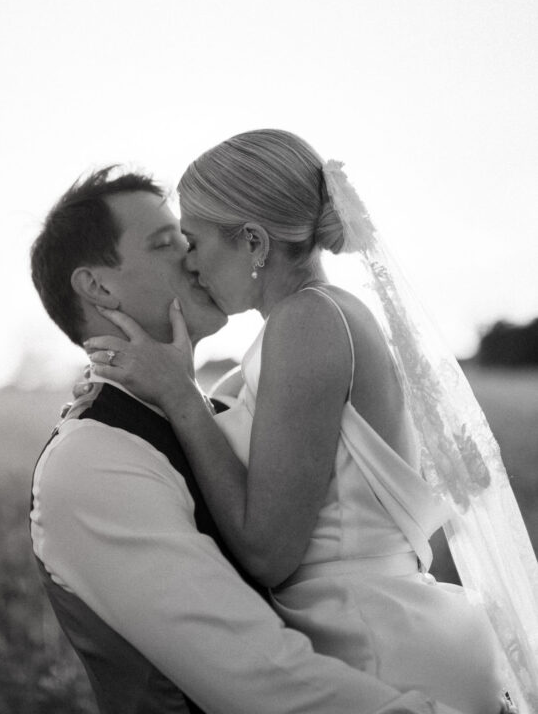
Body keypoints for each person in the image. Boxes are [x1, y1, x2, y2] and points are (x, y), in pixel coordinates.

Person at [85, 131, 529, 714]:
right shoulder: (308, 321)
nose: (188, 263)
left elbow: (268, 553)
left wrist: (177, 393)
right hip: (372, 634)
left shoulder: (308, 321)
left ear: (253, 242)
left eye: (193, 241)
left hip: (377, 649)